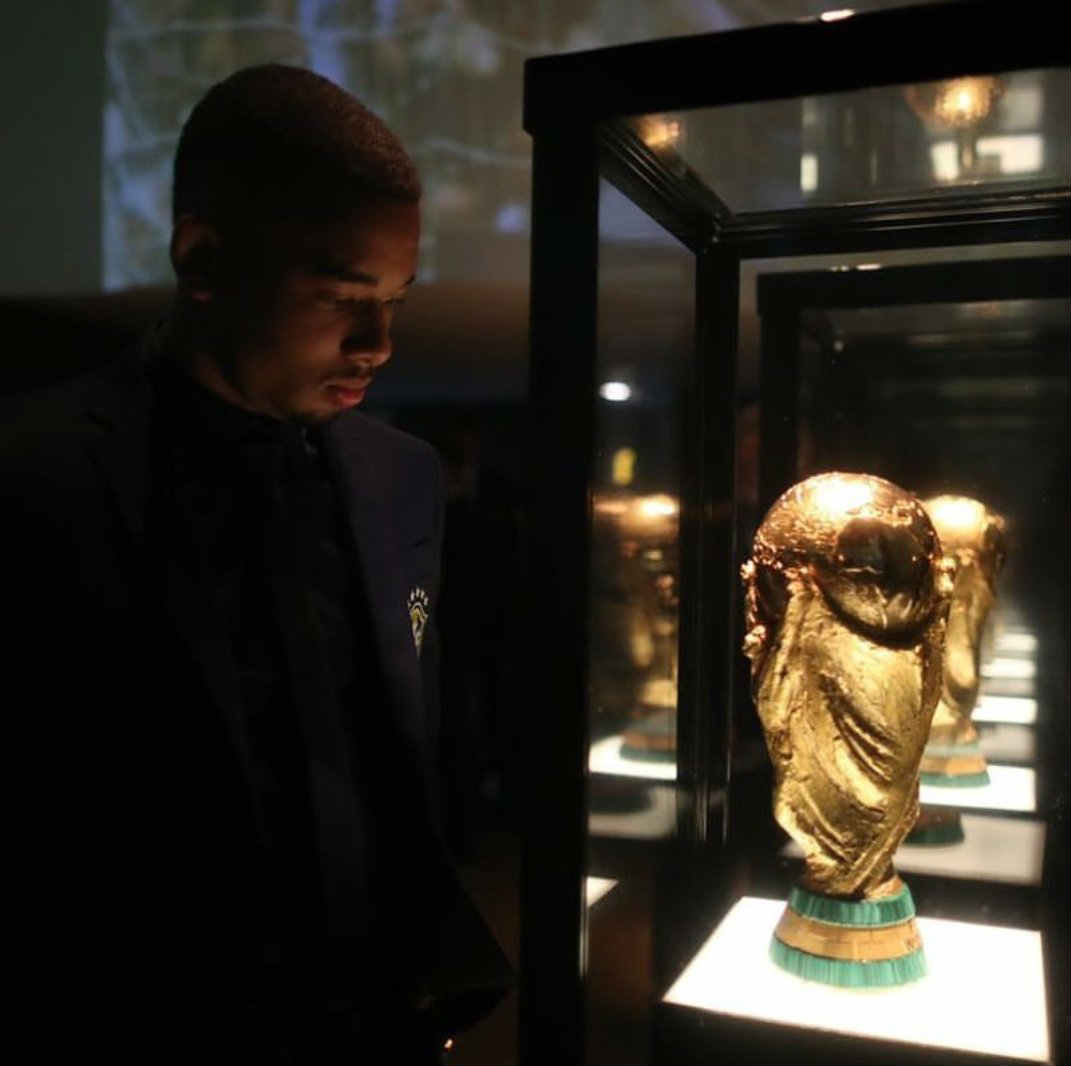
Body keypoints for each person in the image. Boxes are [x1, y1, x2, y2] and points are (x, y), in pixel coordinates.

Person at [1, 64, 510, 1064]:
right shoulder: (31, 474)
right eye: (339, 294)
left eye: (397, 299)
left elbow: (402, 750)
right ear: (202, 255)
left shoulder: (401, 476)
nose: (380, 342)